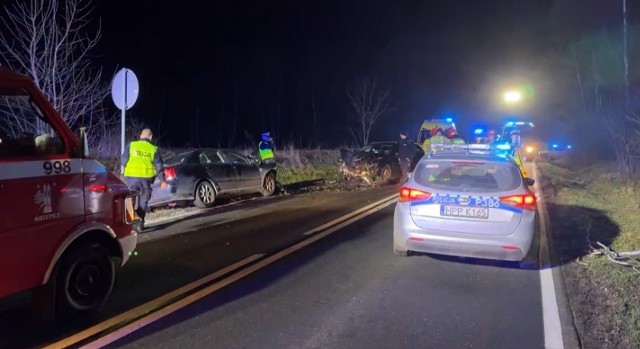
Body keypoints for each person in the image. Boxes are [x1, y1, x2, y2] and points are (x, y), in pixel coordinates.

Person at [121, 128, 166, 232]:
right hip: (146, 179)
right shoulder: (153, 149)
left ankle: (133, 219)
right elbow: (159, 165)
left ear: (140, 136)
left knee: (129, 199)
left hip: (131, 178)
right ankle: (139, 222)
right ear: (150, 137)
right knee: (143, 201)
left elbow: (123, 161)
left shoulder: (131, 145)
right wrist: (162, 180)